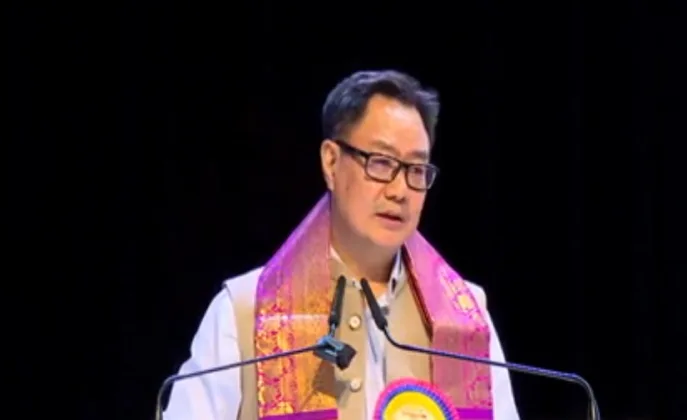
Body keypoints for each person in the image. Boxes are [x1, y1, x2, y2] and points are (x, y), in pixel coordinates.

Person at [162, 69, 521, 420]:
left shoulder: (466, 320)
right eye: (381, 163)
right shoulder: (244, 312)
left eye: (416, 169)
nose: (400, 191)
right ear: (331, 162)